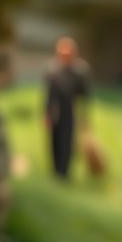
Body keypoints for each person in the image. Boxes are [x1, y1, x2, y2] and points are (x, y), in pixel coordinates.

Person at [43, 35, 92, 179]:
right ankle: (55, 170)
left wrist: (84, 117)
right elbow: (48, 94)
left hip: (71, 109)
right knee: (54, 141)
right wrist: (46, 113)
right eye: (62, 54)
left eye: (68, 54)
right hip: (55, 109)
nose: (65, 57)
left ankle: (64, 172)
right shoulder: (52, 69)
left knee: (67, 142)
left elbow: (85, 96)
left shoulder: (80, 71)